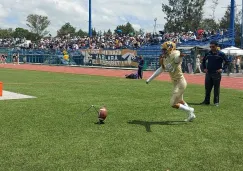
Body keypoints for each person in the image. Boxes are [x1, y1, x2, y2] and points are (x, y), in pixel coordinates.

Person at [146, 41, 196, 122]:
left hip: (180, 82)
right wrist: (150, 79)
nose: (163, 51)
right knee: (180, 101)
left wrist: (180, 56)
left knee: (173, 103)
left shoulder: (175, 54)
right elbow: (160, 69)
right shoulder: (165, 58)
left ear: (170, 48)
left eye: (164, 49)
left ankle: (190, 110)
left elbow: (177, 59)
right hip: (175, 82)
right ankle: (191, 115)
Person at [200, 41, 229, 106]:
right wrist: (204, 68)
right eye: (210, 47)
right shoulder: (208, 53)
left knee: (216, 88)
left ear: (216, 46)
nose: (211, 48)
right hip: (208, 73)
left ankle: (216, 102)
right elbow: (203, 61)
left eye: (213, 46)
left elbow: (227, 62)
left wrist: (222, 69)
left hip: (216, 74)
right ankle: (206, 101)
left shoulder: (221, 54)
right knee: (207, 88)